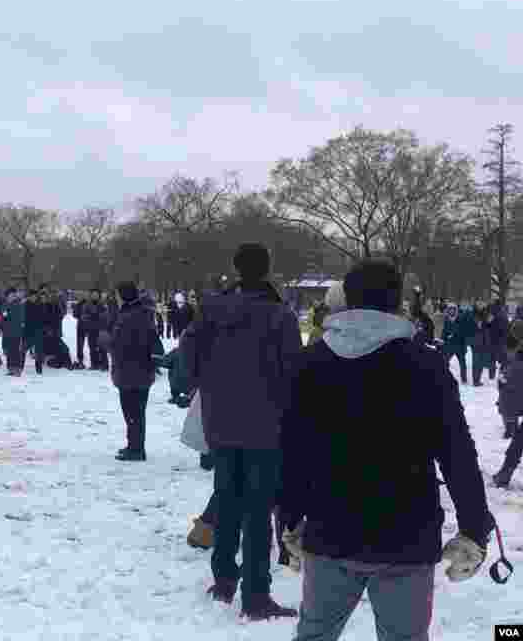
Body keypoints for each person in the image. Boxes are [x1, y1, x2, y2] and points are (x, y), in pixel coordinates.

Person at [278, 260, 494, 640]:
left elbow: (293, 452)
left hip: (331, 529)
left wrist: (288, 519)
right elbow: (457, 452)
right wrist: (475, 527)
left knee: (314, 635)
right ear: (399, 302)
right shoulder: (426, 364)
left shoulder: (310, 363)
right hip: (406, 535)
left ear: (346, 300)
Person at [182, 243, 302, 620]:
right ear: (267, 269)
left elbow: (189, 351)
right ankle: (255, 594)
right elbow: (293, 372)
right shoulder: (279, 315)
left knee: (227, 498)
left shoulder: (213, 310)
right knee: (257, 511)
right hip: (266, 426)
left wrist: (211, 385)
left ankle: (223, 579)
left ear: (236, 268)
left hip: (223, 421)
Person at [105, 281, 160, 461]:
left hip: (129, 370)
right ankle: (135, 446)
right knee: (137, 412)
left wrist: (106, 341)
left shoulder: (128, 316)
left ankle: (135, 449)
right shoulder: (144, 313)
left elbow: (120, 344)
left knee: (131, 412)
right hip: (142, 370)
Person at [2, 287, 25, 376]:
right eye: (9, 295)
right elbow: (3, 315)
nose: (10, 297)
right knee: (9, 350)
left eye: (12, 295)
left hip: (16, 331)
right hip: (7, 330)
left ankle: (17, 369)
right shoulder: (6, 304)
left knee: (15, 350)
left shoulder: (18, 304)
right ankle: (11, 368)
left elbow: (20, 318)